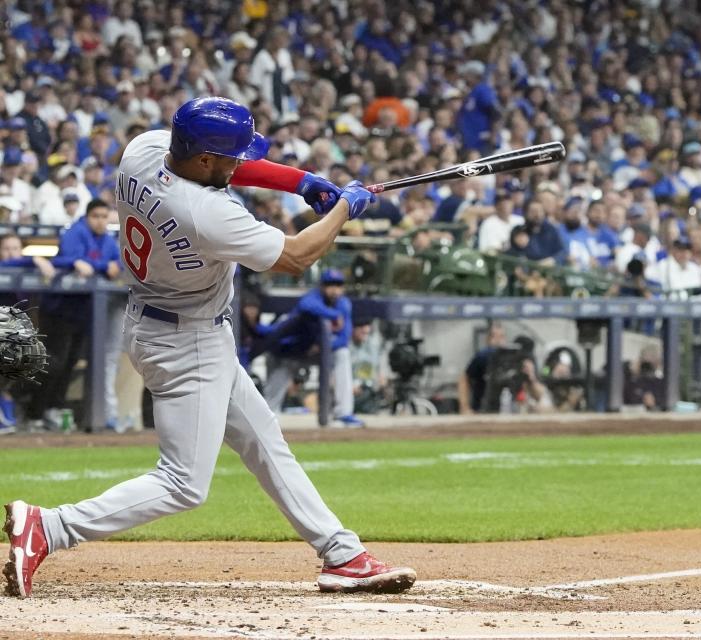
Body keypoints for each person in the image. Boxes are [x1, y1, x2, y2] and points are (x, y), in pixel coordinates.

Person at [3, 97, 415, 599]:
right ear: (203, 161)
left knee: (263, 440)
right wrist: (346, 207)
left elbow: (227, 172)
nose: (240, 163)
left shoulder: (143, 149)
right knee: (183, 483)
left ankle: (341, 553)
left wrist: (302, 182)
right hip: (186, 342)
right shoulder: (206, 212)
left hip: (167, 323)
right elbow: (297, 255)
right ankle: (50, 527)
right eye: (230, 157)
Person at [26, 198, 122, 431]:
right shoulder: (75, 232)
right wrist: (88, 263)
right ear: (87, 216)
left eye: (103, 216)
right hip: (59, 310)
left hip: (84, 312)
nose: (100, 221)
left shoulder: (108, 240)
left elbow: (116, 263)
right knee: (53, 362)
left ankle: (52, 410)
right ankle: (34, 414)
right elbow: (62, 260)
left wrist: (111, 265)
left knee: (69, 363)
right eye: (95, 216)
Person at [261, 268, 363, 427]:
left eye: (338, 285)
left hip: (315, 352)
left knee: (342, 354)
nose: (335, 289)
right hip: (289, 351)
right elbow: (306, 305)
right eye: (330, 285)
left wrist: (322, 346)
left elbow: (343, 339)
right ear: (322, 286)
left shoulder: (344, 304)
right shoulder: (313, 297)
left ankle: (344, 413)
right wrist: (333, 315)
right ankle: (267, 419)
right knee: (271, 402)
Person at [458, 322, 507, 414]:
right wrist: (464, 407)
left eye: (502, 337)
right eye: (494, 336)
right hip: (481, 409)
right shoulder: (482, 356)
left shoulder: (511, 358)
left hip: (506, 410)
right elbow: (464, 379)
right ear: (488, 339)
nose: (498, 340)